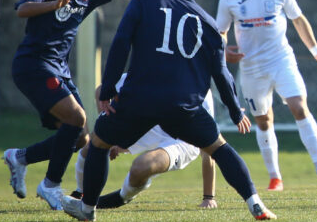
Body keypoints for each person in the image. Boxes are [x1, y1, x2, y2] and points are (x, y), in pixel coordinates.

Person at [61, 0, 276, 222]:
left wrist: (109, 88)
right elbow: (221, 73)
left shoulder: (141, 4)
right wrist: (236, 111)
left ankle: (88, 208)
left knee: (100, 143)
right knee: (220, 148)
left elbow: (119, 46)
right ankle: (255, 203)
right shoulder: (209, 25)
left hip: (140, 99)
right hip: (184, 105)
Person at [3, 0, 171, 211]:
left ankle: (20, 157)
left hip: (58, 68)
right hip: (34, 65)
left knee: (81, 138)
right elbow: (23, 9)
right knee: (77, 117)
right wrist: (55, 3)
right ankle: (50, 185)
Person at [215, 0, 317, 192]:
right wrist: (224, 50)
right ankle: (275, 177)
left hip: (282, 61)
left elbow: (298, 19)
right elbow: (220, 32)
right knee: (263, 120)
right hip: (251, 68)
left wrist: (316, 52)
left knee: (299, 107)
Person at [71, 73, 218, 209]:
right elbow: (102, 91)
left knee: (141, 167)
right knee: (93, 145)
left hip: (183, 140)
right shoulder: (153, 66)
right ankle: (80, 193)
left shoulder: (199, 87)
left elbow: (208, 148)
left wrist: (208, 197)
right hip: (152, 125)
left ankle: (121, 198)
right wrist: (110, 134)